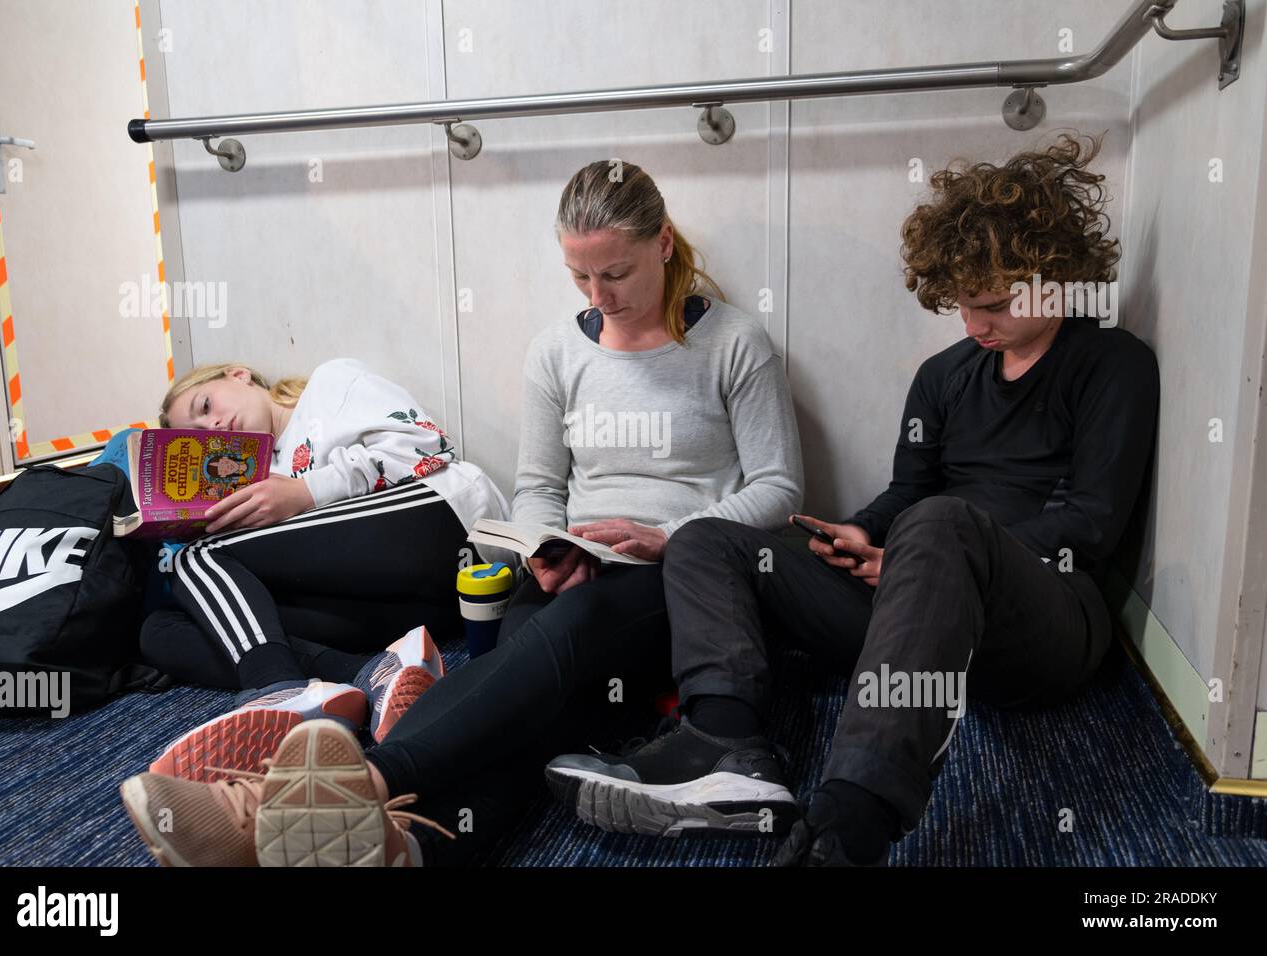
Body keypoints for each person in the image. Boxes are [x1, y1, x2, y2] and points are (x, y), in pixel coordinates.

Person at [117, 158, 804, 867]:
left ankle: (302, 796)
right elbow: (539, 485)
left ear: (662, 244)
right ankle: (404, 846)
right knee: (530, 709)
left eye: (616, 273)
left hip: (678, 578)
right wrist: (543, 544)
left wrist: (664, 538)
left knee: (549, 654)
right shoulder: (558, 352)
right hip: (573, 568)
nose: (600, 294)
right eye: (580, 277)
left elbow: (780, 490)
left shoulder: (733, 344)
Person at [545, 133, 1161, 866]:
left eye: (992, 305)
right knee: (705, 537)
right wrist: (857, 535)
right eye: (962, 306)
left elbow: (1088, 527)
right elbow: (907, 493)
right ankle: (724, 743)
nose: (974, 326)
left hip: (1048, 621)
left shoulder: (1112, 364)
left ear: (1055, 276)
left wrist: (911, 552)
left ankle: (848, 825)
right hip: (922, 593)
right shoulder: (944, 375)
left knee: (939, 526)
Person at [129, 358, 512, 781]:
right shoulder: (259, 475)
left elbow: (427, 447)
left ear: (238, 375)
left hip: (452, 527)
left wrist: (305, 491)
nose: (214, 426)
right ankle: (371, 673)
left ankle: (279, 689)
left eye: (206, 406)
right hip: (404, 606)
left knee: (197, 557)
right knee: (161, 630)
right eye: (198, 434)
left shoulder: (331, 384)